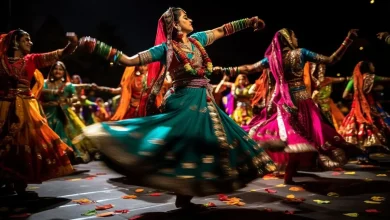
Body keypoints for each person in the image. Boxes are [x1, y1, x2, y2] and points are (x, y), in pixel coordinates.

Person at [77, 7, 278, 209]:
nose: (190, 19)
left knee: (212, 142)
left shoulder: (198, 40)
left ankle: (185, 196)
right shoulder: (165, 49)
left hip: (203, 99)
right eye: (185, 17)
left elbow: (221, 30)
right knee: (186, 143)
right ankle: (178, 189)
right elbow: (130, 60)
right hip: (183, 101)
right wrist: (98, 46)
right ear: (174, 24)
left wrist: (249, 21)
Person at [214, 28, 360, 184]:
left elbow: (249, 68)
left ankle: (289, 174)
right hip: (303, 101)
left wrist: (226, 70)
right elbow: (331, 60)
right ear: (288, 39)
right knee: (304, 136)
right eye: (294, 36)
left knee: (293, 137)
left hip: (284, 101)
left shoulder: (272, 59)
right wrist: (347, 40)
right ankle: (289, 175)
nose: (296, 39)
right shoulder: (301, 53)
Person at [0, 29, 78, 196]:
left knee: (24, 144)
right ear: (15, 42)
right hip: (3, 107)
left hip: (27, 109)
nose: (30, 42)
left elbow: (59, 54)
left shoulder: (32, 59)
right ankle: (6, 182)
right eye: (26, 40)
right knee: (5, 144)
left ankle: (20, 184)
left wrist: (72, 44)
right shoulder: (1, 61)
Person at [40, 61, 97, 163]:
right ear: (52, 71)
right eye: (55, 69)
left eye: (60, 69)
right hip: (47, 113)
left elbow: (75, 97)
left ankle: (68, 155)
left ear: (64, 72)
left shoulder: (68, 85)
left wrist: (70, 100)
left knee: (62, 130)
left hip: (63, 113)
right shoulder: (44, 83)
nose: (57, 71)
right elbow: (38, 95)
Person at [339, 61, 390, 164]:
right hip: (370, 108)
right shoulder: (371, 77)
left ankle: (362, 156)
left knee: (359, 131)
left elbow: (344, 95)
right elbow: (387, 79)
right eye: (372, 65)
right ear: (367, 67)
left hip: (356, 108)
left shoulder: (354, 79)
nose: (374, 66)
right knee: (376, 128)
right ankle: (367, 154)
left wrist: (355, 97)